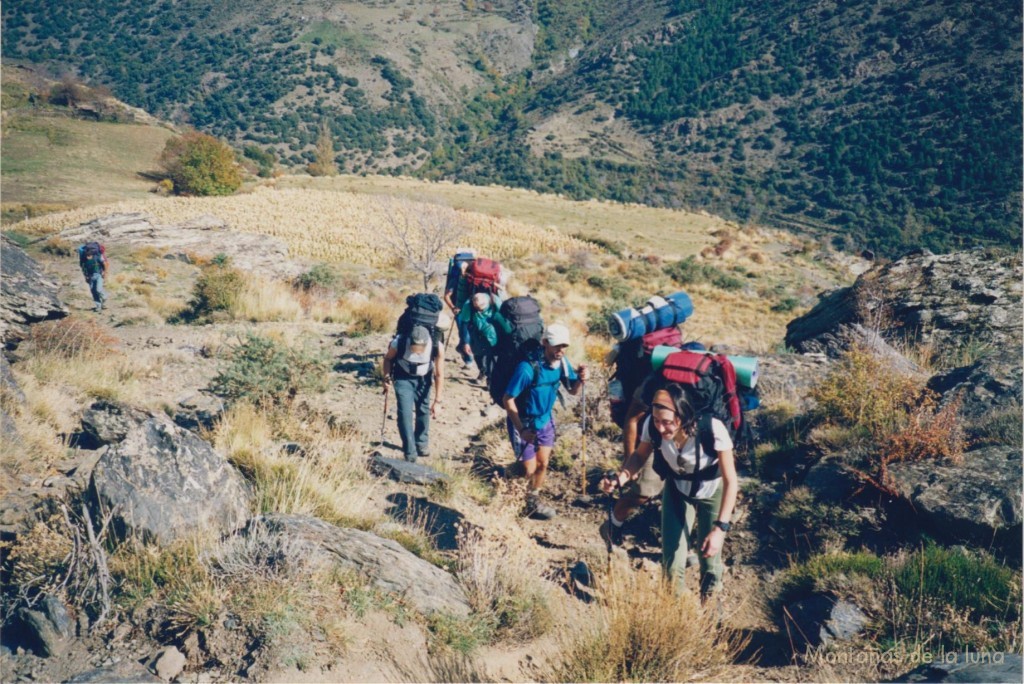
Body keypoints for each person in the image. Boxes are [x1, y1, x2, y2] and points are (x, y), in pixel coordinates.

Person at [600, 383, 737, 602]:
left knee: (710, 560)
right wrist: (621, 478)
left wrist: (720, 529)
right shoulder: (652, 427)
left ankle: (711, 611)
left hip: (713, 491)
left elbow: (731, 481)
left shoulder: (712, 429)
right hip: (677, 489)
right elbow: (639, 456)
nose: (661, 428)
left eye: (667, 422)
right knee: (672, 561)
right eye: (656, 420)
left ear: (682, 417)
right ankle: (674, 613)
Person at [502, 323, 589, 520]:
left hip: (545, 420)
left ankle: (532, 500)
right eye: (557, 346)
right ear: (545, 343)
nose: (561, 350)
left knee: (543, 463)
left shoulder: (563, 364)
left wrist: (581, 379)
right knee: (529, 468)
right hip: (524, 423)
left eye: (564, 346)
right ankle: (509, 479)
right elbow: (507, 399)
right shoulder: (527, 368)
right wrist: (521, 429)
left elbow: (573, 390)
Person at [599, 376, 665, 546]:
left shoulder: (706, 392)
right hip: (655, 442)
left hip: (689, 451)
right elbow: (632, 418)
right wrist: (628, 463)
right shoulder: (657, 381)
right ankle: (613, 526)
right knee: (643, 492)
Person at [382, 324, 444, 462]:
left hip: (424, 379)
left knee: (423, 410)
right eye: (414, 348)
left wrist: (438, 401)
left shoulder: (436, 346)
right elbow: (387, 359)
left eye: (420, 349)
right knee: (405, 413)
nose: (417, 352)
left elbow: (439, 374)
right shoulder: (400, 341)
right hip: (403, 378)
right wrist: (386, 377)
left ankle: (421, 443)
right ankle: (410, 452)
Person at [457, 292, 507, 384]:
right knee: (477, 354)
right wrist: (466, 342)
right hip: (476, 331)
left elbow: (504, 318)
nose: (478, 310)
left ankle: (491, 380)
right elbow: (465, 324)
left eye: (480, 309)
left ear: (486, 304)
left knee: (492, 357)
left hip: (493, 332)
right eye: (476, 308)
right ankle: (483, 371)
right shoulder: (468, 305)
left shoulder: (495, 301)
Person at [443, 260, 476, 370]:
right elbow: (447, 296)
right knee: (465, 334)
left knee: (467, 335)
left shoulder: (474, 280)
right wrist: (453, 308)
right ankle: (468, 360)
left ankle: (462, 349)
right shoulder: (456, 280)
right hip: (461, 311)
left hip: (472, 311)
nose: (463, 271)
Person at [78, 242, 108, 312]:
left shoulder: (97, 257)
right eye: (87, 255)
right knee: (93, 292)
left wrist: (105, 273)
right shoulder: (84, 261)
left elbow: (105, 264)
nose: (88, 257)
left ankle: (105, 297)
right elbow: (83, 269)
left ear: (91, 254)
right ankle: (98, 306)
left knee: (98, 290)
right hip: (90, 277)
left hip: (98, 275)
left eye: (89, 255)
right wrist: (86, 277)